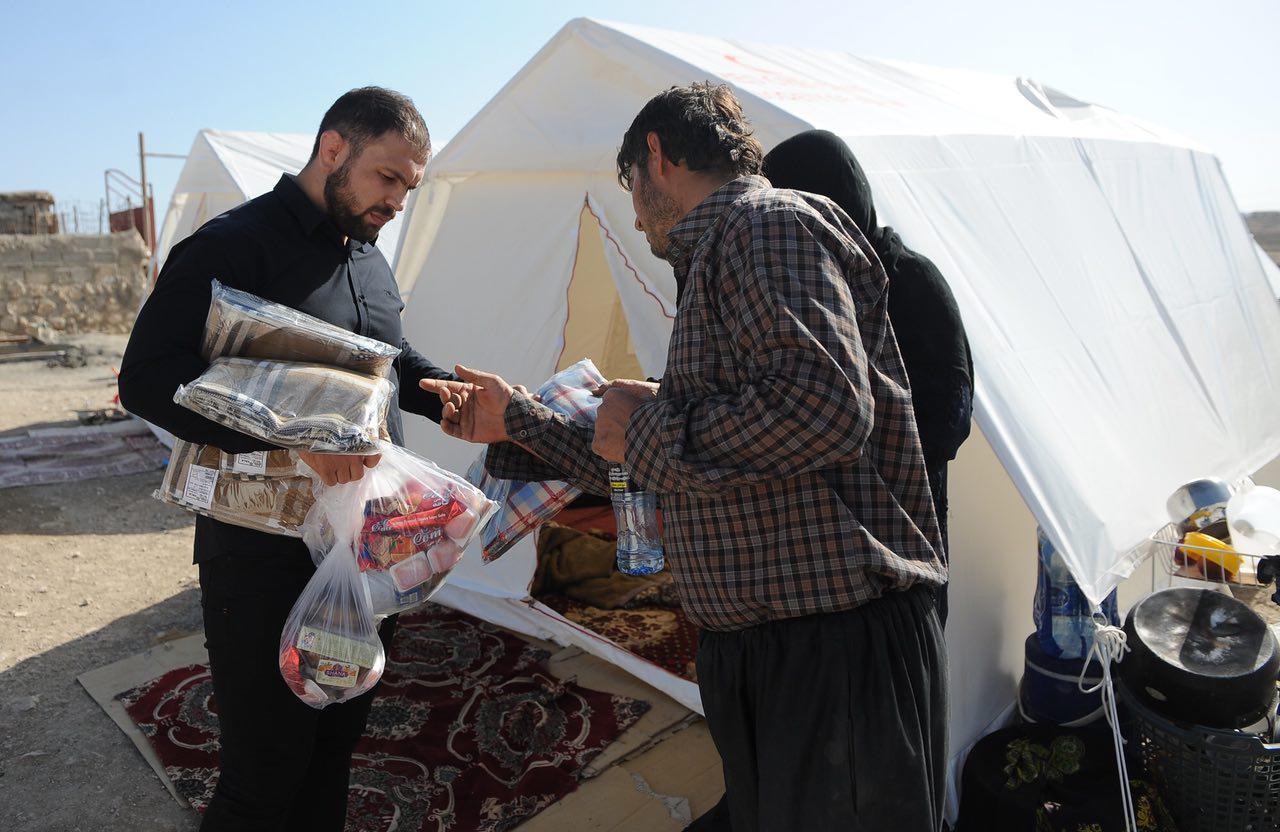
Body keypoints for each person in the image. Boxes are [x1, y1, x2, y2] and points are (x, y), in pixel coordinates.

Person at [422, 83, 949, 832]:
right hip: (777, 649)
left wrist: (646, 430)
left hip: (831, 654)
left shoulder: (764, 226)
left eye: (630, 190)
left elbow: (825, 411)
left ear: (657, 158)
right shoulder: (727, 252)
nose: (634, 218)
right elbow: (682, 458)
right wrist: (519, 423)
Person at [119, 87, 458, 831]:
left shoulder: (368, 255)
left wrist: (452, 394)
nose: (398, 200)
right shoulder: (231, 246)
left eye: (410, 186)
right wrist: (290, 443)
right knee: (264, 776)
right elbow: (145, 378)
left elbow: (384, 363)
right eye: (388, 178)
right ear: (332, 149)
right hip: (261, 557)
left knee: (332, 749)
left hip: (364, 550)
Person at [763, 130, 974, 624]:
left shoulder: (913, 283)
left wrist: (847, 436)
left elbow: (949, 420)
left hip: (904, 546)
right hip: (829, 561)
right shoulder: (816, 284)